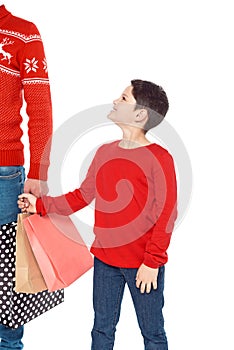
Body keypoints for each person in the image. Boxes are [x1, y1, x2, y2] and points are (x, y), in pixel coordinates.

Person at [19, 79, 178, 350]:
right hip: (105, 260)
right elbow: (82, 196)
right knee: (102, 330)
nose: (116, 101)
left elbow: (166, 215)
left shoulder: (160, 158)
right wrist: (41, 205)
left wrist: (152, 262)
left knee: (152, 332)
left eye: (124, 98)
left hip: (143, 264)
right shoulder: (105, 152)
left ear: (140, 114)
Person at [0, 4, 64, 349]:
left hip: (4, 173)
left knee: (8, 269)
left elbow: (40, 108)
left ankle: (9, 345)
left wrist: (39, 172)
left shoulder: (23, 32)